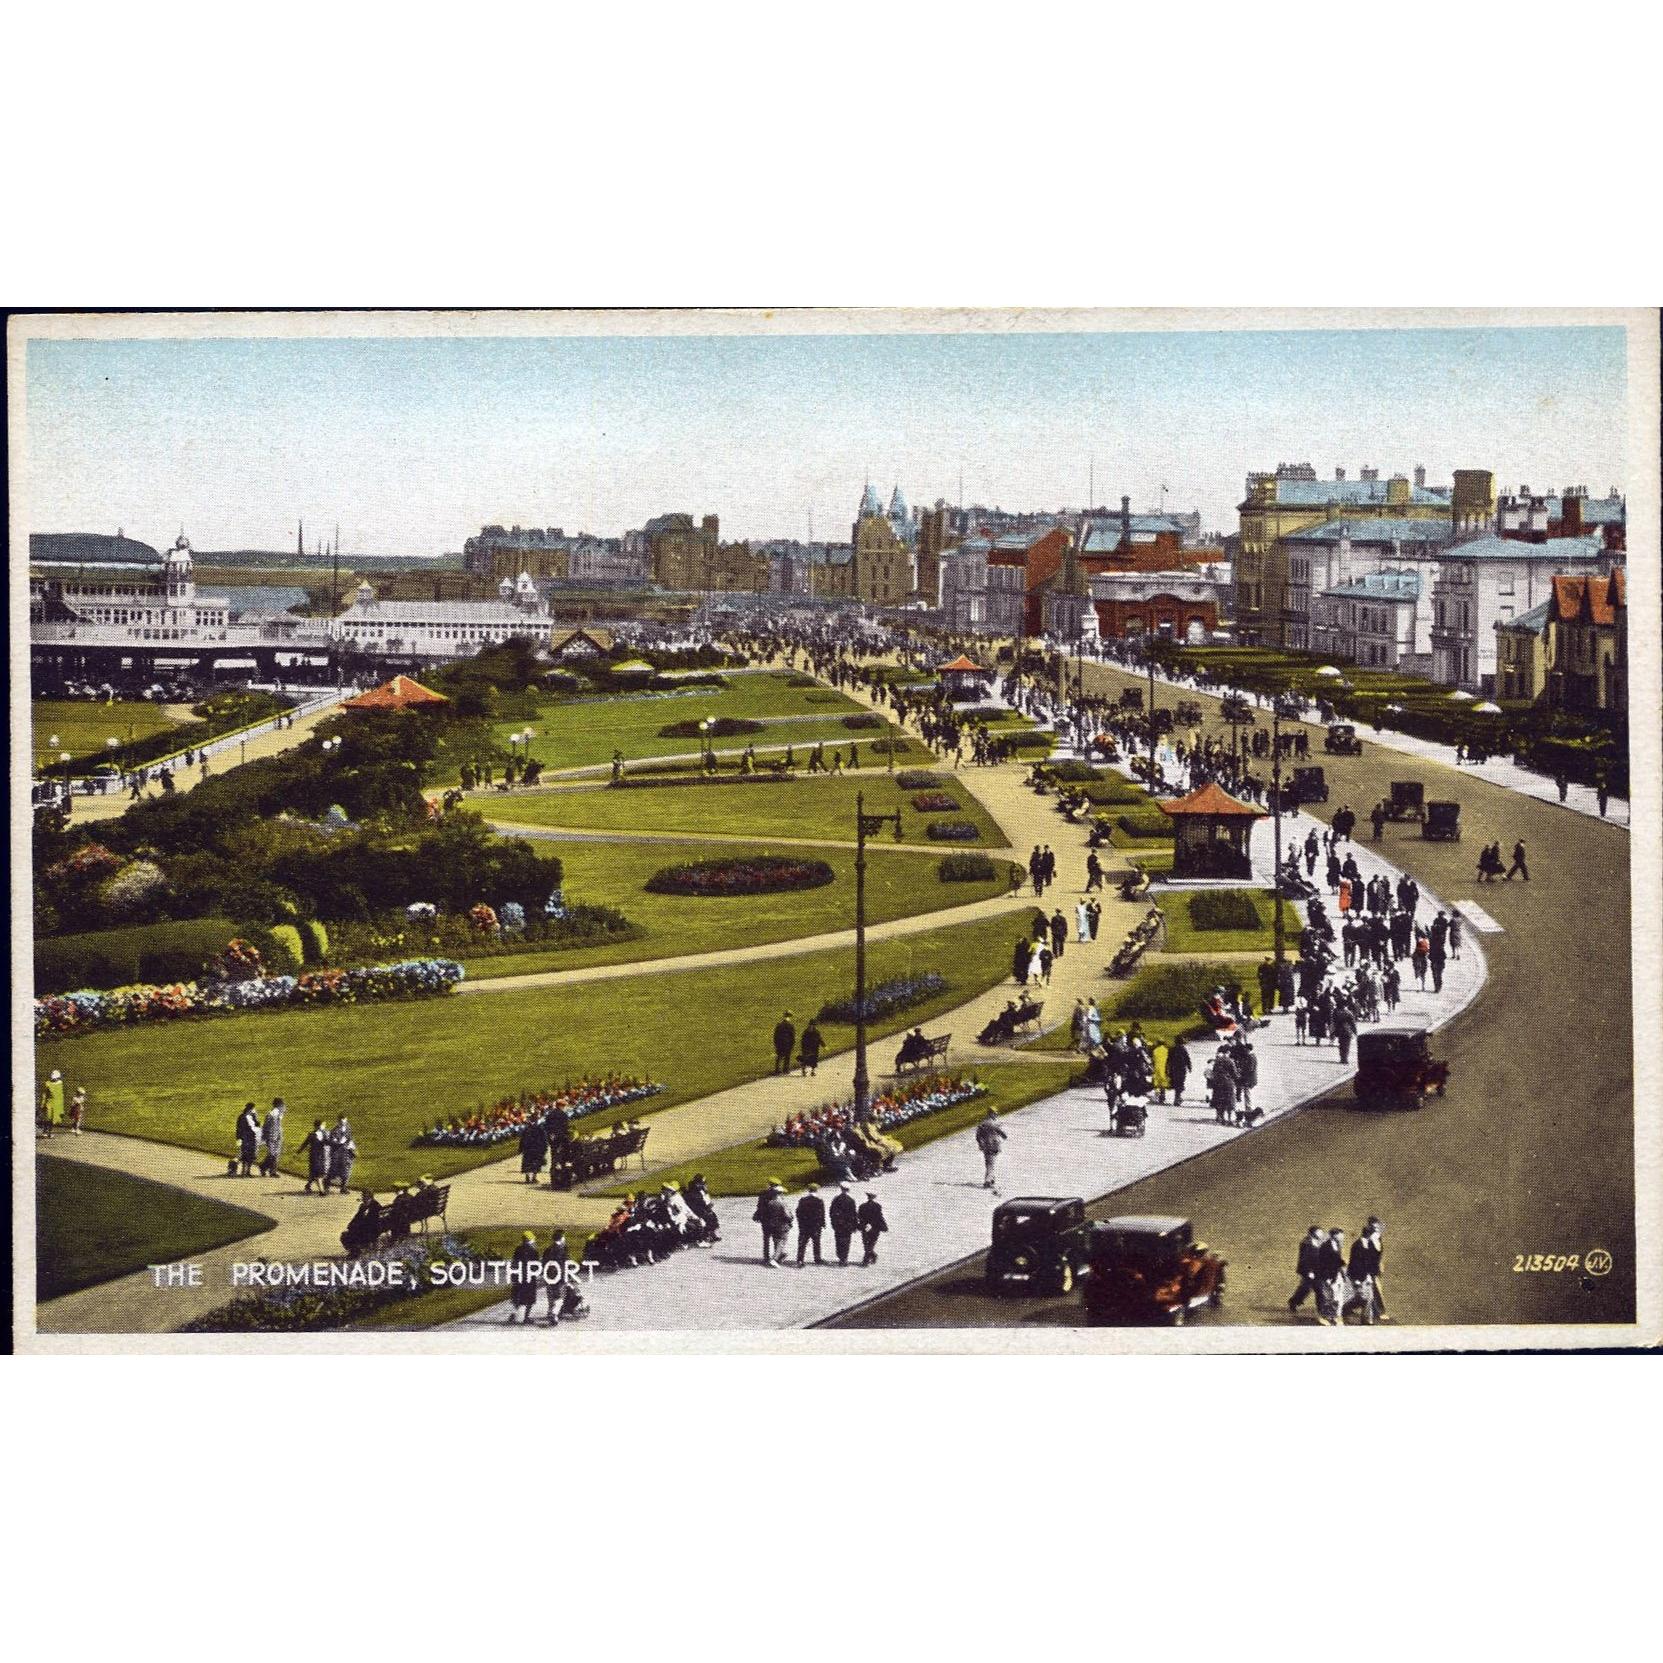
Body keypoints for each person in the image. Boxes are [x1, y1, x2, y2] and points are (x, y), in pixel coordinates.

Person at [1347, 1218, 1386, 1324]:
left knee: (1370, 1292)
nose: (1378, 1229)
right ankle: (1377, 1312)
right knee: (1371, 1292)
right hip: (1365, 1270)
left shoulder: (1377, 1238)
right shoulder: (1364, 1242)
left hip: (1371, 1269)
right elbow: (1363, 1258)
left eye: (1378, 1227)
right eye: (1375, 1227)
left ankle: (1374, 1313)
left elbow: (1378, 1253)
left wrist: (1380, 1263)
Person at [1288, 1225, 1326, 1315]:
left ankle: (1321, 1309)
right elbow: (1304, 1259)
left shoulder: (1320, 1242)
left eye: (1321, 1232)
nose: (1322, 1234)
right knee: (1305, 1289)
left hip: (1318, 1270)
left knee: (1319, 1290)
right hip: (1308, 1271)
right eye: (1319, 1232)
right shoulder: (1306, 1243)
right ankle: (1293, 1302)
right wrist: (1309, 1272)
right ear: (1313, 1234)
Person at [1314, 1227, 1349, 1326]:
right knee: (1328, 1298)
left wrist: (1342, 1263)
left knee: (1338, 1297)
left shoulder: (1337, 1245)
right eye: (1340, 1235)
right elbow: (1323, 1263)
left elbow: (1336, 1260)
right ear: (1334, 1235)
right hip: (1328, 1276)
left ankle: (1335, 1316)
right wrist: (1327, 1277)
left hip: (1337, 1274)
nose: (1342, 1237)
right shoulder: (1325, 1247)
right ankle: (1322, 1317)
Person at [753, 1181, 792, 1266]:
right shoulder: (780, 1200)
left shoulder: (763, 1194)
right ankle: (776, 1257)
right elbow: (786, 1214)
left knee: (767, 1239)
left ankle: (767, 1257)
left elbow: (760, 1207)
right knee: (778, 1239)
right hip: (777, 1222)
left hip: (766, 1220)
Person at [508, 1231, 541, 1325]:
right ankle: (525, 1317)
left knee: (518, 1296)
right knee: (529, 1298)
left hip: (518, 1276)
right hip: (529, 1277)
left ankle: (516, 1314)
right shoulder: (533, 1250)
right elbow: (536, 1265)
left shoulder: (518, 1249)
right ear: (530, 1239)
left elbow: (514, 1263)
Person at [975, 1107, 1007, 1193]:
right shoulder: (995, 1123)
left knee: (989, 1162)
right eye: (995, 1113)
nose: (996, 1114)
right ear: (991, 1113)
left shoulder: (982, 1123)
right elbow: (1003, 1134)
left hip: (985, 1145)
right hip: (994, 1145)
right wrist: (1003, 1136)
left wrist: (981, 1143)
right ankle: (988, 1180)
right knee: (991, 1163)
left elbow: (978, 1136)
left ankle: (992, 1178)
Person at [542, 1229, 571, 1324]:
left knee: (550, 1295)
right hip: (560, 1276)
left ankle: (550, 1312)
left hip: (549, 1276)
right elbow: (566, 1263)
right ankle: (554, 1314)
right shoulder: (563, 1249)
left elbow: (543, 1263)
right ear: (562, 1238)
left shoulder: (548, 1249)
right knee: (559, 1296)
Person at [795, 1184, 826, 1265]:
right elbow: (821, 1214)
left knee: (802, 1243)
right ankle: (817, 1258)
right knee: (816, 1242)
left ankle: (800, 1259)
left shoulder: (803, 1200)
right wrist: (822, 1223)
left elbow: (798, 1212)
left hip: (804, 1225)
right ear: (816, 1190)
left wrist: (800, 1223)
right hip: (815, 1226)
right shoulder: (819, 1201)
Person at [830, 1182, 859, 1265]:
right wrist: (855, 1225)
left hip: (838, 1224)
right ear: (848, 1189)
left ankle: (840, 1256)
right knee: (846, 1241)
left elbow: (832, 1211)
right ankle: (844, 1258)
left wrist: (833, 1222)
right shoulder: (851, 1200)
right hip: (848, 1225)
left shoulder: (836, 1199)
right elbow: (854, 1214)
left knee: (838, 1240)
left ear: (841, 1188)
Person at [327, 1115, 357, 1193]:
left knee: (346, 1171)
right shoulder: (334, 1130)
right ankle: (327, 1187)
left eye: (344, 1120)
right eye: (341, 1120)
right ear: (338, 1121)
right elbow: (331, 1142)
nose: (343, 1122)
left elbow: (350, 1138)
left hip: (346, 1153)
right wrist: (340, 1142)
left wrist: (352, 1147)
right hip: (336, 1154)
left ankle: (343, 1187)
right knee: (333, 1171)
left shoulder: (348, 1127)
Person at [857, 1191, 888, 1265]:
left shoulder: (862, 1206)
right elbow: (879, 1217)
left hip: (865, 1227)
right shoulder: (877, 1206)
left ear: (868, 1197)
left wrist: (865, 1224)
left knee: (866, 1243)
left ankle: (866, 1259)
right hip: (875, 1228)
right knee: (871, 1243)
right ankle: (873, 1256)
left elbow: (859, 1217)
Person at [300, 1118, 331, 1193]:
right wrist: (299, 1151)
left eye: (324, 1125)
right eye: (323, 1125)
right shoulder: (312, 1135)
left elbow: (329, 1143)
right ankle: (322, 1191)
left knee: (315, 1173)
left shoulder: (325, 1133)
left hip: (323, 1157)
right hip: (314, 1157)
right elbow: (305, 1144)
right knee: (319, 1174)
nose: (324, 1126)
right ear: (317, 1126)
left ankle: (308, 1185)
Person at [260, 1097, 285, 1177]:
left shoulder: (278, 1113)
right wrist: (264, 1137)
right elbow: (265, 1126)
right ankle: (265, 1167)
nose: (283, 1107)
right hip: (271, 1137)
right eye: (282, 1105)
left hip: (278, 1136)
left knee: (276, 1154)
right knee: (272, 1154)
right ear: (278, 1105)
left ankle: (271, 1170)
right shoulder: (271, 1114)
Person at [235, 1101, 261, 1177]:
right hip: (246, 1139)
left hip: (251, 1139)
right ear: (251, 1108)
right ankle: (244, 1172)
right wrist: (238, 1138)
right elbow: (239, 1128)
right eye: (253, 1109)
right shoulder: (243, 1117)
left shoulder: (252, 1116)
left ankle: (247, 1172)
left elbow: (257, 1125)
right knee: (245, 1155)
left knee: (251, 1155)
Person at [39, 1069, 66, 1138]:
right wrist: (42, 1104)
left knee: (53, 1119)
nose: (54, 1079)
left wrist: (61, 1108)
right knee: (48, 1118)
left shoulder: (60, 1083)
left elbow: (61, 1095)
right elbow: (44, 1095)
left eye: (55, 1078)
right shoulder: (47, 1083)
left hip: (57, 1104)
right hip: (49, 1103)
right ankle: (45, 1131)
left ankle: (50, 1132)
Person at [1168, 1036, 1191, 1105]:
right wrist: (1189, 1067)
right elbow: (1187, 1059)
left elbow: (1168, 1059)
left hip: (1174, 1069)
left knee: (1176, 1083)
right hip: (1181, 1069)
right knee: (1180, 1083)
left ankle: (1177, 1098)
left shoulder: (1172, 1049)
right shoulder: (1183, 1049)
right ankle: (1178, 1098)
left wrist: (1167, 1069)